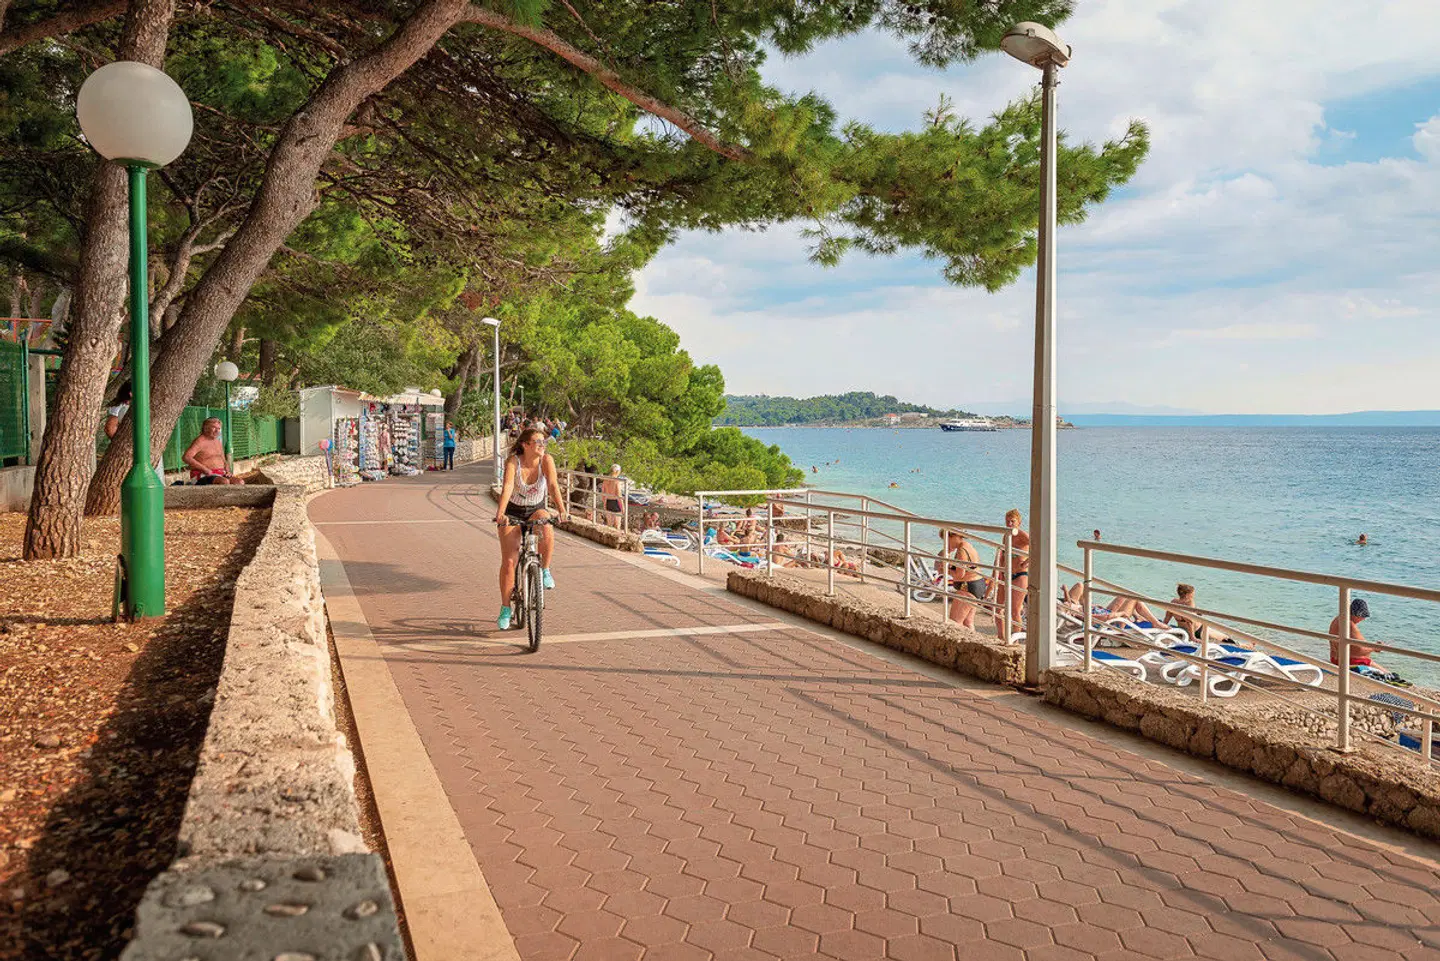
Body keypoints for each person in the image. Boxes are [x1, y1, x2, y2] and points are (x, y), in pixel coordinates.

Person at [493, 427, 567, 630]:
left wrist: (561, 509)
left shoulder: (546, 461)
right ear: (525, 445)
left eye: (544, 442)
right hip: (513, 511)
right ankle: (506, 608)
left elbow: (552, 486)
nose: (542, 446)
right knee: (509, 561)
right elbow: (507, 487)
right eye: (538, 442)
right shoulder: (513, 462)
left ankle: (544, 570)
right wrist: (501, 513)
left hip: (536, 509)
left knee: (546, 520)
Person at [939, 529, 987, 630]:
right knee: (967, 622)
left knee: (955, 622)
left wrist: (945, 570)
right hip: (976, 585)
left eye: (946, 539)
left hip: (967, 587)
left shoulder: (962, 551)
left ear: (953, 536)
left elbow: (959, 575)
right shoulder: (967, 546)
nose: (945, 543)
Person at [994, 509, 1029, 638]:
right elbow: (1003, 554)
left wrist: (1026, 563)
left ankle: (1014, 639)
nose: (1009, 524)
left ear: (1019, 522)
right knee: (998, 608)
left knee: (1015, 610)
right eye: (1007, 521)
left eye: (1012, 521)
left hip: (1020, 575)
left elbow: (1037, 547)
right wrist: (1000, 571)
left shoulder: (1022, 535)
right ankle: (1001, 637)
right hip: (1006, 574)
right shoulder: (1006, 535)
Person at [182, 417, 243, 486]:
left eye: (219, 428)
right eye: (214, 428)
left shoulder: (218, 442)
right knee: (224, 482)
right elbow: (186, 457)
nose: (217, 431)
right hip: (202, 475)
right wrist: (205, 469)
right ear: (205, 428)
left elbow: (223, 460)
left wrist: (228, 470)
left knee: (239, 482)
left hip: (220, 474)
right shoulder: (200, 441)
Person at [1329, 598, 1380, 670]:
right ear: (1357, 614)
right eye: (1363, 616)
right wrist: (1375, 648)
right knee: (1389, 674)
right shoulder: (1349, 624)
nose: (1363, 619)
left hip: (1336, 659)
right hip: (1349, 662)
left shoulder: (1338, 619)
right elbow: (1359, 650)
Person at [601, 464, 624, 530]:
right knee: (617, 525)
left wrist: (604, 503)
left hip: (608, 501)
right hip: (616, 502)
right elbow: (619, 495)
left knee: (609, 524)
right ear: (617, 471)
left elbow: (603, 494)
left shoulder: (606, 480)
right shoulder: (617, 481)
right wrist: (623, 506)